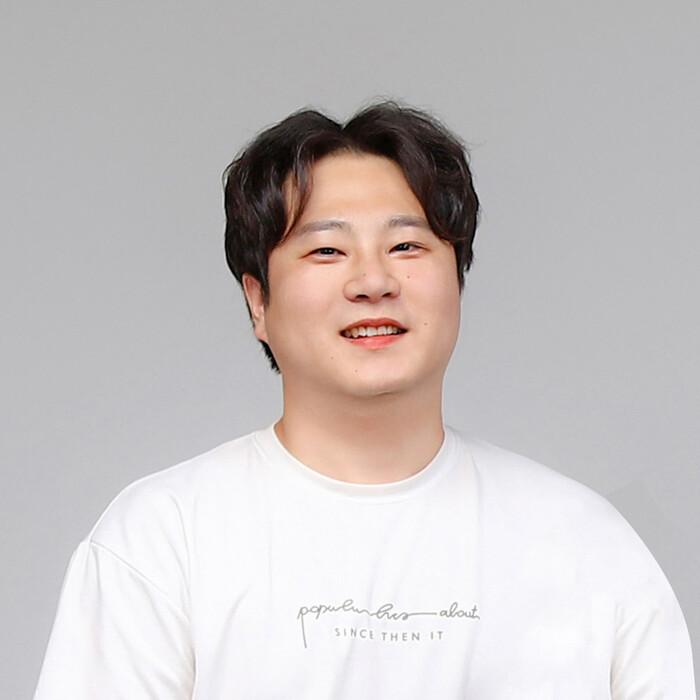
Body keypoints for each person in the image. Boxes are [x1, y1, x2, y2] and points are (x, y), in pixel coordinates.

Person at [33, 101, 696, 698]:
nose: (373, 280)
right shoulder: (161, 540)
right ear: (257, 302)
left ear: (457, 279)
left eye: (406, 245)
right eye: (327, 250)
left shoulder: (585, 541)